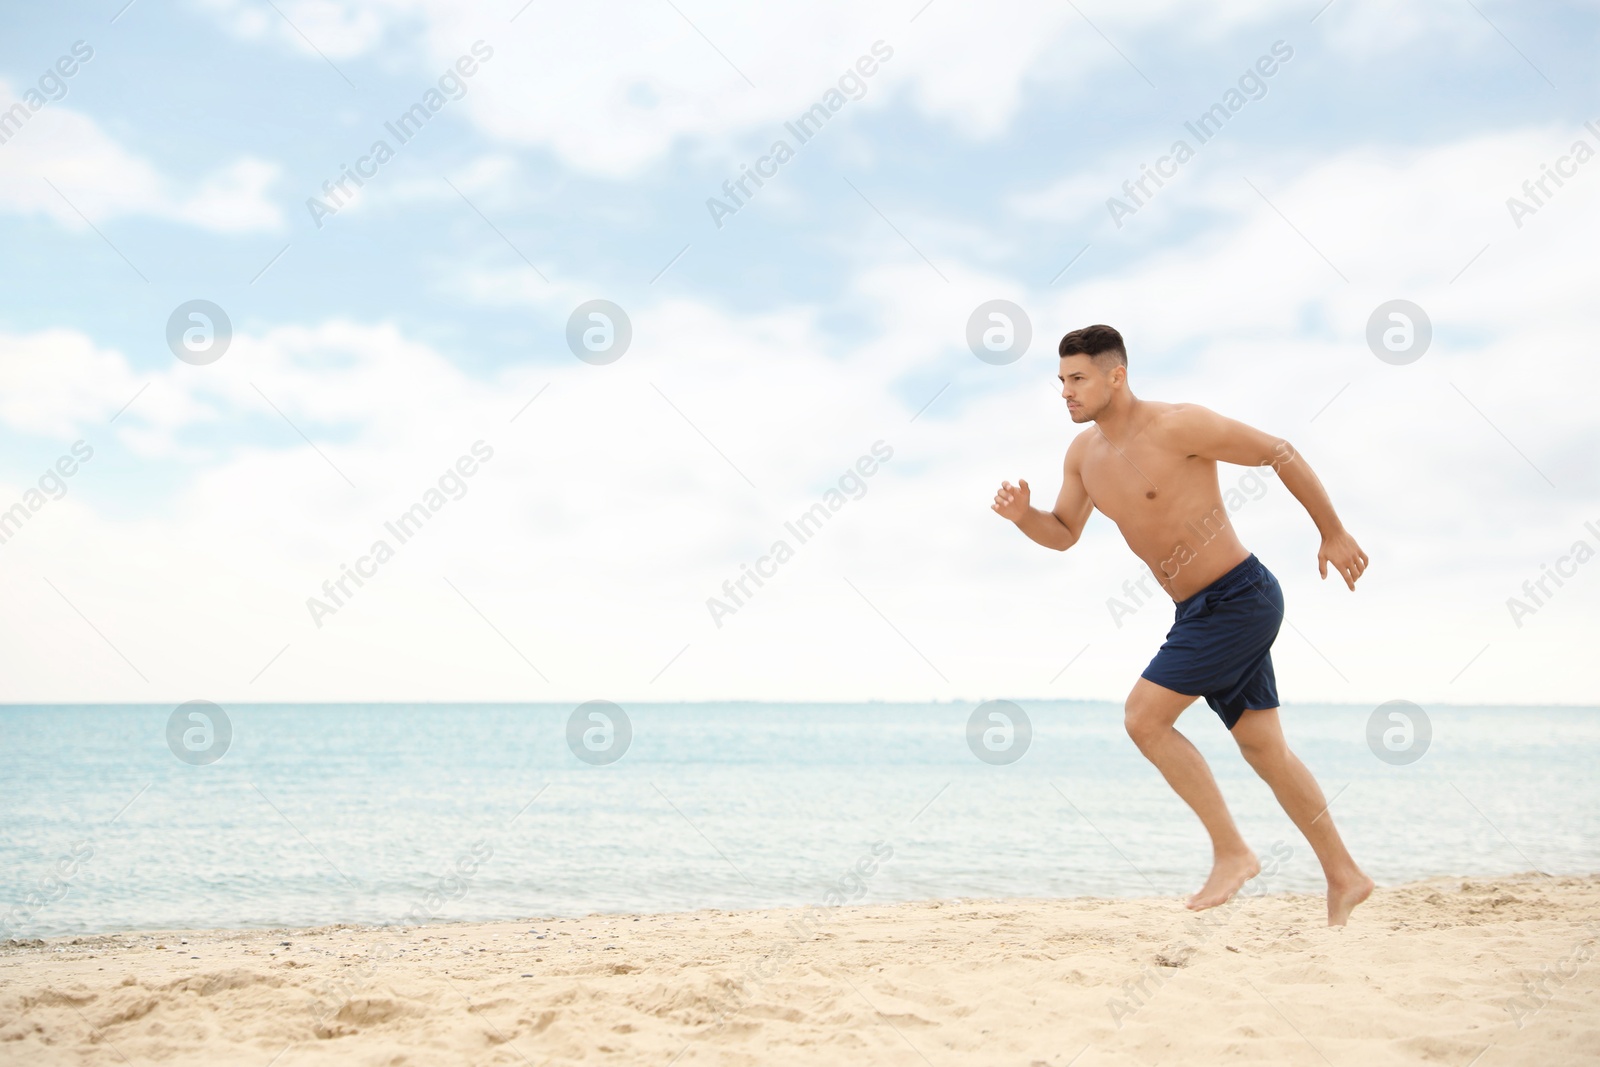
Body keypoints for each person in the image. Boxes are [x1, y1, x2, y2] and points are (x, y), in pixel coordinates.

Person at [991, 324, 1374, 926]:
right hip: (1197, 611)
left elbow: (1279, 451)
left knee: (1144, 717)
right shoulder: (1083, 456)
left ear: (1116, 375)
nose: (1065, 392)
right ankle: (1345, 875)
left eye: (1078, 379)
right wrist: (1023, 518)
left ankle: (1232, 852)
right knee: (1264, 748)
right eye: (1061, 381)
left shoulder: (1179, 425)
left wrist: (1333, 530)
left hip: (1239, 596)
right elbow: (1063, 534)